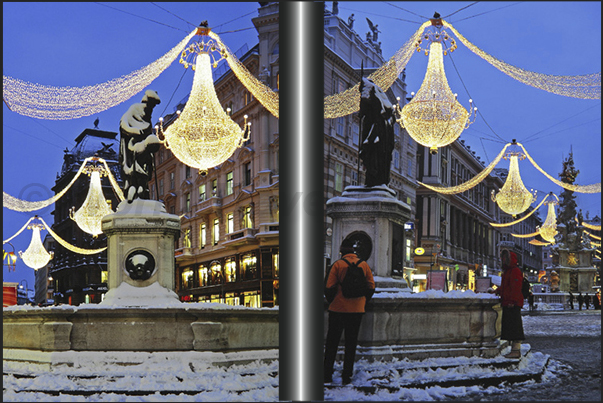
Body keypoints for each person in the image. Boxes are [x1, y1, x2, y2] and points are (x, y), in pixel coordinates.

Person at [324, 238, 375, 385]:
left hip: (338, 309)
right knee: (351, 344)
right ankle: (347, 376)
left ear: (342, 252)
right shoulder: (364, 265)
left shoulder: (338, 265)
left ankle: (327, 375)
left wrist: (333, 300)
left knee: (332, 343)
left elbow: (328, 286)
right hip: (357, 310)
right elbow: (371, 287)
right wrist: (362, 301)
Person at [495, 250, 525, 359]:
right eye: (502, 258)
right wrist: (497, 291)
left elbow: (515, 287)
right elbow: (506, 286)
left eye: (504, 258)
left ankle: (516, 351)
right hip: (507, 302)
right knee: (510, 327)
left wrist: (512, 301)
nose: (502, 260)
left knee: (515, 328)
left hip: (512, 304)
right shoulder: (508, 271)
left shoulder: (515, 271)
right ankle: (514, 350)